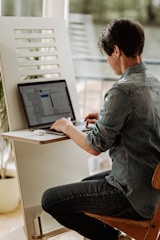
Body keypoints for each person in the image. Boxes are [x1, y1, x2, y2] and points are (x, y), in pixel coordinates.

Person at [41, 18, 160, 240]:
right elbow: (142, 124)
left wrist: (67, 126)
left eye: (107, 56)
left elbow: (94, 147)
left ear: (116, 51)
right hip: (153, 191)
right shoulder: (154, 83)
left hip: (132, 196)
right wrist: (106, 119)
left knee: (50, 200)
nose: (108, 62)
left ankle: (110, 238)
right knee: (85, 185)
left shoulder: (122, 91)